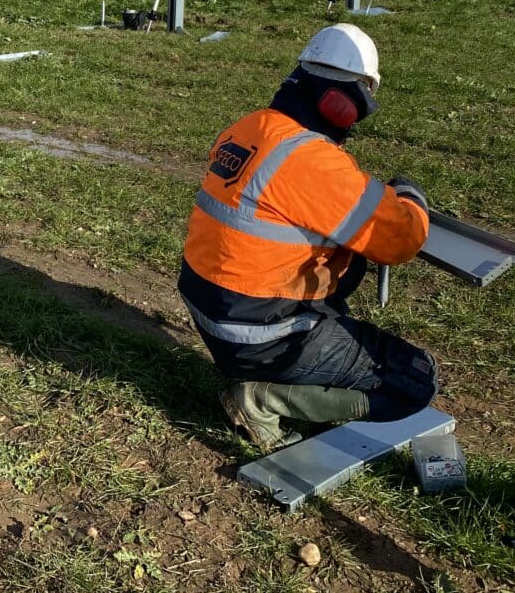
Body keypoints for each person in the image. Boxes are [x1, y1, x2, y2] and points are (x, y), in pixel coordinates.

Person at [178, 23, 437, 452]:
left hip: (211, 309)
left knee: (346, 266)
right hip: (256, 335)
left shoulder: (249, 127)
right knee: (414, 381)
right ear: (342, 103)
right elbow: (401, 239)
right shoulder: (313, 162)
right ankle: (262, 397)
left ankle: (281, 374)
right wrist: (409, 194)